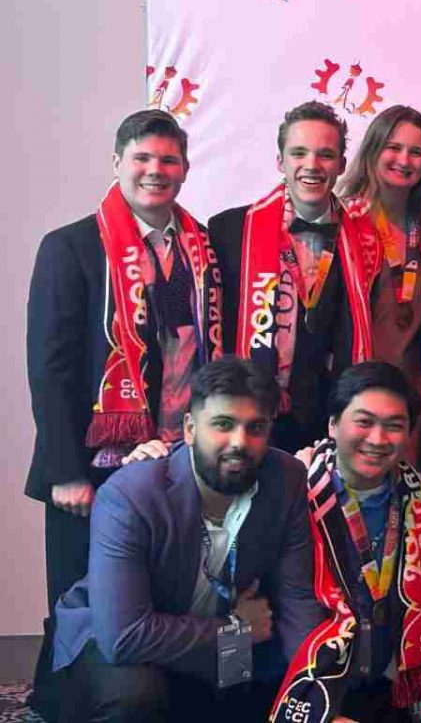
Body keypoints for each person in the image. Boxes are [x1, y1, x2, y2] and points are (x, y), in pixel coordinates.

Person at [25, 109, 223, 719]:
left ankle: (140, 700)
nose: (154, 171)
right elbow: (50, 367)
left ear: (185, 170)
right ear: (117, 163)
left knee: (157, 595)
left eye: (168, 160)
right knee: (80, 605)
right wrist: (66, 470)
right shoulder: (72, 247)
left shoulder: (202, 251)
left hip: (173, 464)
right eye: (141, 157)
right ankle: (58, 704)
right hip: (93, 466)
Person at [52, 357, 327, 723]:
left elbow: (297, 599)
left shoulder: (287, 478)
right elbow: (123, 636)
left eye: (255, 427)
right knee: (136, 699)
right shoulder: (131, 494)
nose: (240, 443)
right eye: (223, 425)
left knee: (275, 690)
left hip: (213, 639)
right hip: (116, 642)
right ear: (190, 428)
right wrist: (235, 630)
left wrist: (314, 694)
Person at [272, 361, 421, 722]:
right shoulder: (297, 491)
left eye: (394, 426)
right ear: (332, 424)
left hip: (394, 687)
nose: (377, 439)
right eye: (364, 422)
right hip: (306, 683)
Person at [209, 101, 384, 453]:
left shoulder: (365, 241)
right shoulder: (228, 230)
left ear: (341, 165)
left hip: (324, 419)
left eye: (325, 155)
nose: (312, 166)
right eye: (299, 153)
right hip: (244, 417)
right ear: (280, 161)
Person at [338, 105, 421, 395]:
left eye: (416, 152)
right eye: (393, 147)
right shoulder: (343, 220)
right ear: (373, 150)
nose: (404, 160)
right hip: (354, 389)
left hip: (418, 394)